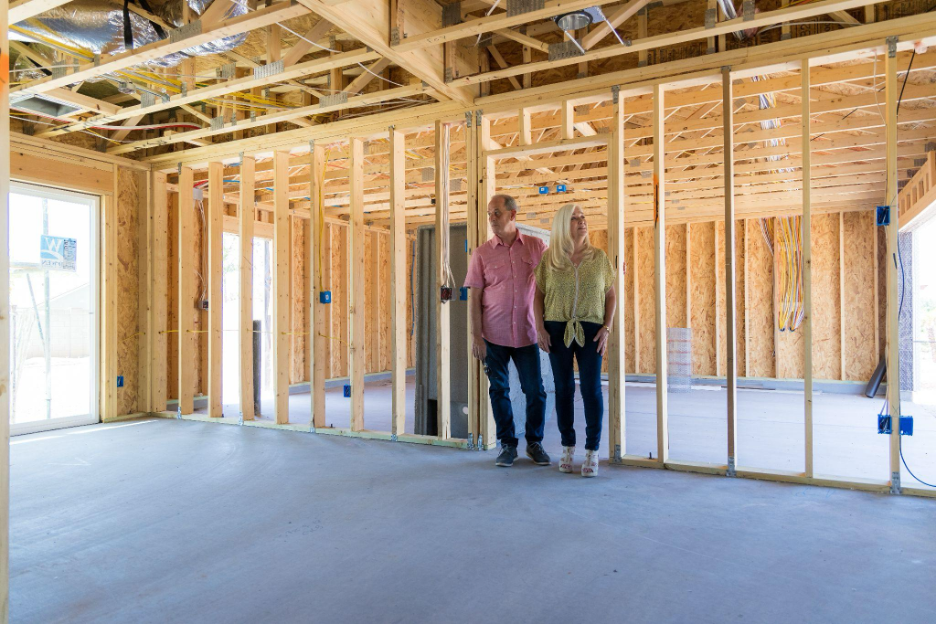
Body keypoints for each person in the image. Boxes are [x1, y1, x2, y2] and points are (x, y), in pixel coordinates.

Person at [464, 194, 550, 468]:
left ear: (512, 215)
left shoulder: (537, 248)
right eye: (489, 214)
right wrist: (476, 337)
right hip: (494, 336)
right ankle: (507, 445)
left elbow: (552, 287)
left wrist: (549, 327)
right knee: (499, 390)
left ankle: (534, 443)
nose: (491, 219)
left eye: (496, 213)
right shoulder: (481, 254)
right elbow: (474, 299)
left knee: (535, 390)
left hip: (527, 334)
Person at [534, 204, 617, 478]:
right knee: (564, 387)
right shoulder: (550, 260)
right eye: (575, 218)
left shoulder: (599, 257)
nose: (582, 222)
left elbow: (611, 295)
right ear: (562, 225)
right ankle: (568, 446)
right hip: (556, 328)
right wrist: (540, 328)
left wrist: (607, 327)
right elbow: (538, 295)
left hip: (591, 328)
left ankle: (592, 451)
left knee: (591, 389)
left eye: (583, 217)